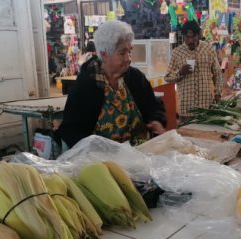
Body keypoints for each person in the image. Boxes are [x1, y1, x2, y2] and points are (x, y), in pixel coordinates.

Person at [56, 20, 166, 149]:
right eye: (122, 53)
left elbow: (153, 106)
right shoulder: (86, 86)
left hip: (142, 153)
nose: (128, 58)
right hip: (105, 161)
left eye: (129, 51)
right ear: (104, 54)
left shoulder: (135, 78)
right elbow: (70, 130)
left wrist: (156, 121)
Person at [164, 20, 224, 120]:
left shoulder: (208, 49)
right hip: (186, 109)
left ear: (199, 35)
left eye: (193, 37)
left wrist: (218, 93)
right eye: (187, 37)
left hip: (205, 107)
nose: (191, 40)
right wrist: (180, 72)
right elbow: (167, 77)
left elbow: (217, 74)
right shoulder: (177, 53)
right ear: (183, 36)